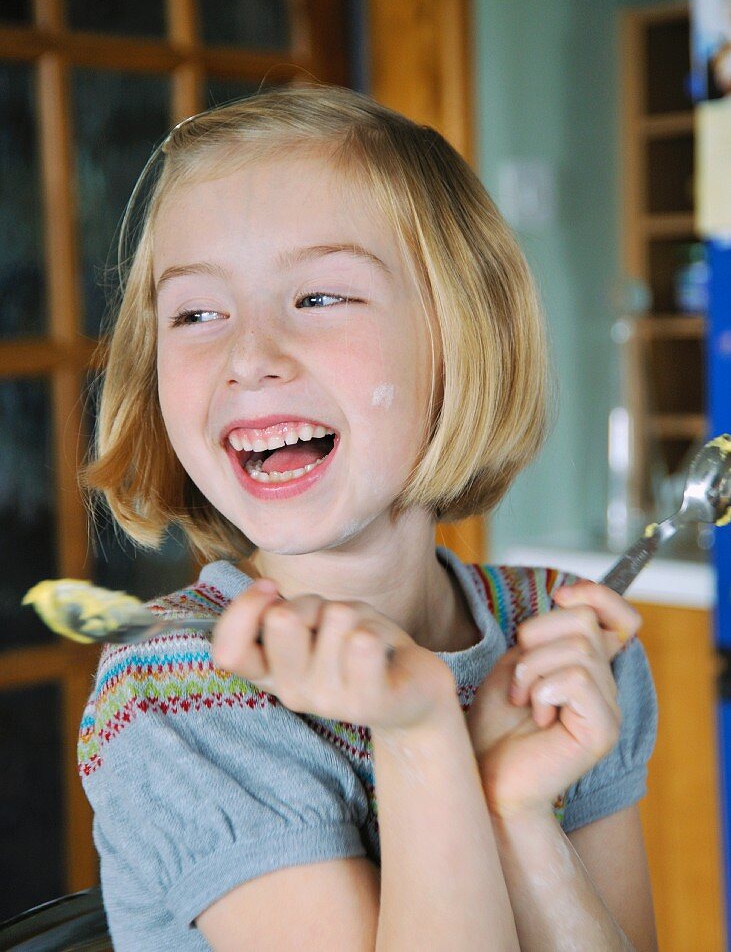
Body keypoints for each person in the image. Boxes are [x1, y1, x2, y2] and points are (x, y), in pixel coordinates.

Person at [78, 84, 658, 951]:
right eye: (196, 313)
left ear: (461, 333)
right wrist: (421, 734)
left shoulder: (559, 635)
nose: (248, 357)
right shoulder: (175, 687)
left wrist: (515, 811)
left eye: (317, 299)